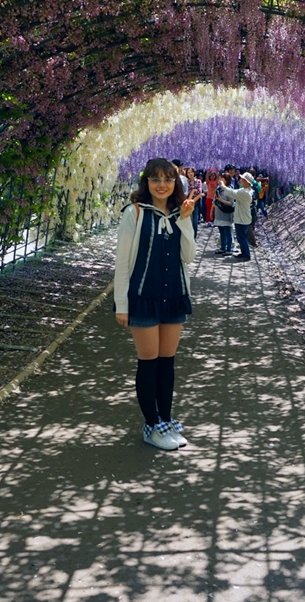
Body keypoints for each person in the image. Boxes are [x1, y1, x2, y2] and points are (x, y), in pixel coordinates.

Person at [114, 158, 201, 451]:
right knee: (148, 362)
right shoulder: (135, 212)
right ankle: (152, 426)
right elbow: (123, 263)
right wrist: (121, 304)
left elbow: (188, 256)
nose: (161, 185)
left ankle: (165, 419)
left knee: (167, 363)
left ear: (175, 183)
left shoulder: (181, 211)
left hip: (174, 295)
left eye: (167, 179)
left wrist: (186, 219)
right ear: (146, 183)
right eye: (155, 179)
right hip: (143, 296)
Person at [216, 172, 254, 261]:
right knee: (241, 238)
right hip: (242, 218)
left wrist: (222, 185)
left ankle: (246, 255)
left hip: (242, 218)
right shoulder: (245, 190)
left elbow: (231, 192)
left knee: (242, 238)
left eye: (242, 179)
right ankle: (244, 253)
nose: (240, 180)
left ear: (247, 182)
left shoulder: (244, 192)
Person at [213, 167, 235, 255]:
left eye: (221, 179)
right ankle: (222, 248)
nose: (219, 180)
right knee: (221, 232)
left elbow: (232, 203)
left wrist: (222, 200)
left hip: (226, 214)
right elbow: (215, 201)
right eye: (219, 178)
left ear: (226, 180)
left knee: (227, 232)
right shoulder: (218, 189)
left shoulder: (230, 189)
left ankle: (229, 249)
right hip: (219, 213)